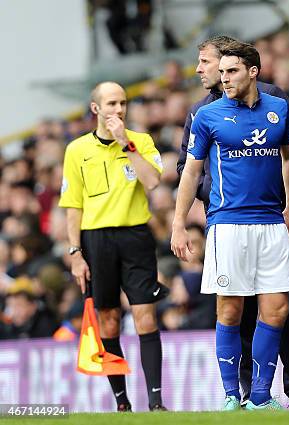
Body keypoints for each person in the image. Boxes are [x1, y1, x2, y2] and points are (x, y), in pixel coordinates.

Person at [176, 35, 289, 409]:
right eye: (220, 71)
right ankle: (230, 395)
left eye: (231, 71)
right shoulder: (206, 115)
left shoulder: (278, 109)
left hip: (272, 223)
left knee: (278, 310)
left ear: (253, 72)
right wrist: (178, 223)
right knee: (230, 309)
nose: (224, 78)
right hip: (228, 224)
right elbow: (189, 173)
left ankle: (261, 396)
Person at [59, 81, 168, 412]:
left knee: (145, 317)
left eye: (122, 103)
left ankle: (156, 402)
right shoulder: (76, 150)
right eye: (111, 104)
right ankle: (122, 402)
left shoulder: (142, 141)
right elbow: (73, 206)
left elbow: (152, 181)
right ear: (96, 109)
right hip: (95, 240)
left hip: (135, 234)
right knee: (107, 319)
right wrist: (76, 253)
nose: (118, 110)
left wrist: (126, 144)